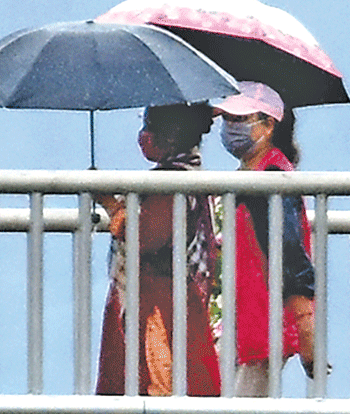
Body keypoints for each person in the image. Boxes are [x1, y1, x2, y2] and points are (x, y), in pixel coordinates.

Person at [94, 102, 222, 396]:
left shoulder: (172, 182)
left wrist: (111, 204)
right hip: (169, 300)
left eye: (150, 126)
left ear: (172, 133)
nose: (143, 134)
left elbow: (148, 236)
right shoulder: (191, 175)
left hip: (157, 306)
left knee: (154, 384)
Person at [213, 81, 318, 397]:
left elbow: (289, 251)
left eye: (240, 120)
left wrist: (306, 328)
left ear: (268, 124)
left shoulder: (271, 177)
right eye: (227, 120)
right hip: (244, 318)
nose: (231, 128)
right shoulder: (251, 175)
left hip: (263, 320)